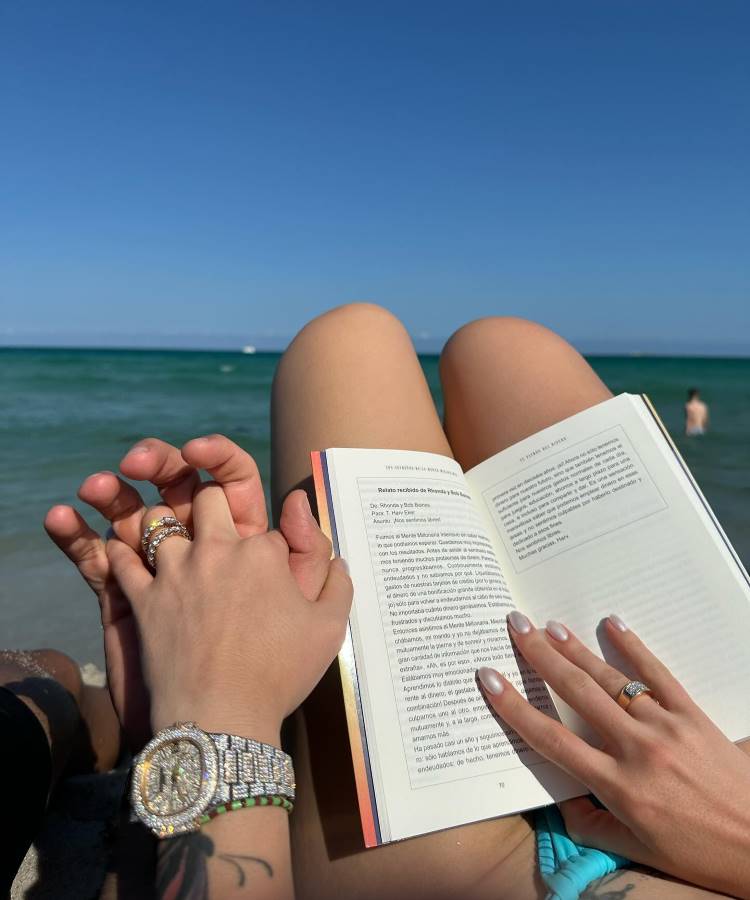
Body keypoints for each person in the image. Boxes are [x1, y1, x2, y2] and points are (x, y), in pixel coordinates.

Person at [46, 305, 750, 900]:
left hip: (511, 876)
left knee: (349, 340)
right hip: (723, 772)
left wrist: (207, 713)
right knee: (500, 346)